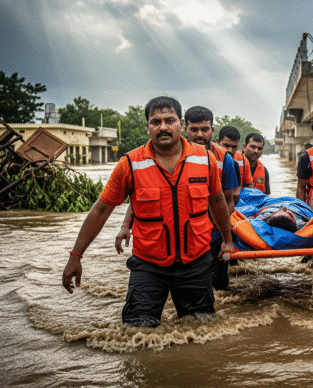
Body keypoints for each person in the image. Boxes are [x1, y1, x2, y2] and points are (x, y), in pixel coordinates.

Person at [62, 96, 235, 328]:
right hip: (149, 266)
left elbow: (218, 202)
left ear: (180, 124)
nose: (163, 127)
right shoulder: (130, 164)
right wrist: (76, 256)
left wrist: (227, 240)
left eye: (169, 120)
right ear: (147, 127)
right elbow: (101, 209)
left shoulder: (205, 160)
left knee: (201, 331)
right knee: (137, 333)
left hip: (196, 263)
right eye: (156, 122)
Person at [116, 106, 239, 291]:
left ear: (212, 131)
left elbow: (227, 201)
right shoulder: (159, 155)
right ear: (184, 128)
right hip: (172, 240)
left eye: (204, 129)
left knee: (217, 286)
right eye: (194, 129)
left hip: (211, 235)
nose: (199, 134)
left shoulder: (222, 159)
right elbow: (142, 197)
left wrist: (225, 238)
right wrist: (126, 225)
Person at [217, 125, 253, 205]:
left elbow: (249, 185)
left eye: (234, 147)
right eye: (226, 145)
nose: (230, 150)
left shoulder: (243, 160)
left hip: (238, 203)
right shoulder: (210, 158)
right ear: (217, 142)